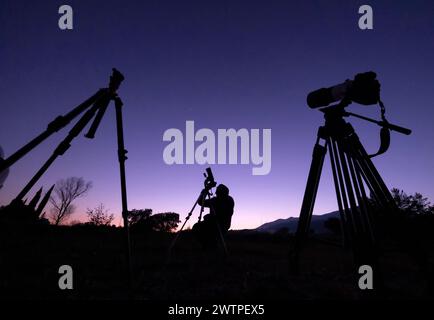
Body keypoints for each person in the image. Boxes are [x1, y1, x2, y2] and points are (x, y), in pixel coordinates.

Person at [192, 184, 234, 249]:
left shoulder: (229, 200)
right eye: (218, 193)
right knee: (197, 227)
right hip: (211, 223)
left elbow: (226, 214)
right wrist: (204, 193)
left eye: (220, 193)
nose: (218, 195)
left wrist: (209, 217)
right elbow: (200, 202)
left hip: (222, 224)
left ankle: (212, 246)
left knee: (213, 235)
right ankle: (207, 245)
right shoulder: (214, 200)